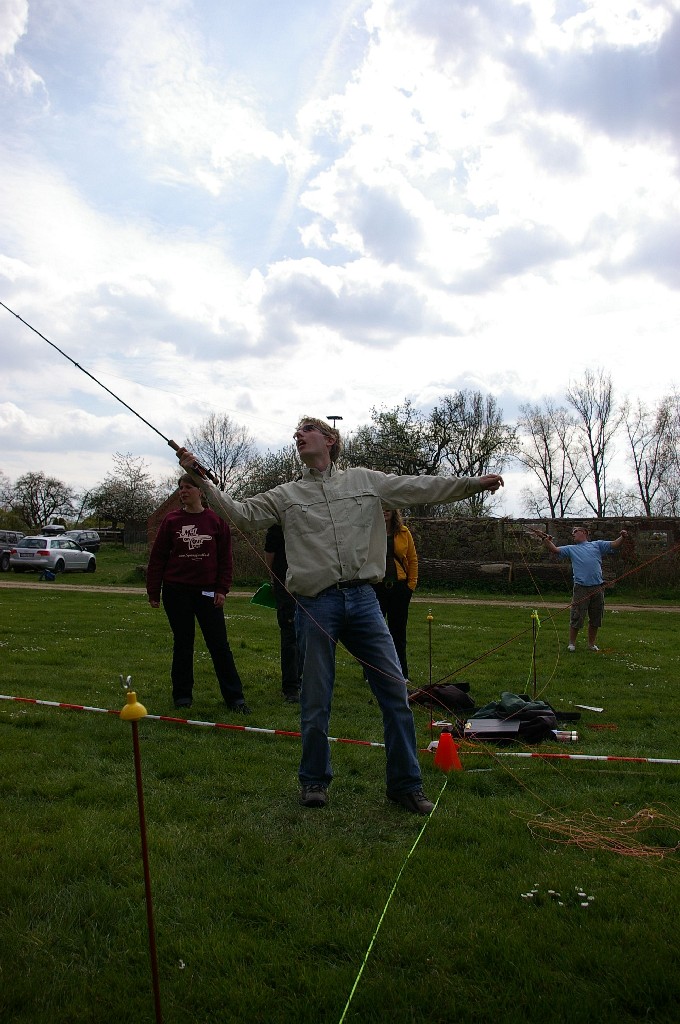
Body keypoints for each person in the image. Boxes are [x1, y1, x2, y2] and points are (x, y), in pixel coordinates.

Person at [178, 417, 503, 815]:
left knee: (396, 694)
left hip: (365, 601)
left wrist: (472, 483)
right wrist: (201, 478)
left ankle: (405, 786)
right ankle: (314, 782)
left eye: (306, 431)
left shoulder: (367, 481)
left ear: (330, 440)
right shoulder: (286, 494)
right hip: (316, 604)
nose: (297, 437)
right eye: (295, 434)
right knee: (315, 699)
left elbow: (421, 486)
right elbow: (241, 515)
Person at [146, 473, 251, 713]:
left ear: (200, 492)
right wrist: (153, 591)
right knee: (183, 643)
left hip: (207, 593)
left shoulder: (216, 521)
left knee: (219, 645)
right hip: (176, 592)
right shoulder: (171, 521)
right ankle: (182, 697)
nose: (183, 491)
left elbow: (226, 560)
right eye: (180, 488)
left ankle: (235, 698)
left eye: (188, 487)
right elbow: (158, 558)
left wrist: (222, 589)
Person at [540, 524, 628, 652]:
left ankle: (591, 644)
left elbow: (614, 544)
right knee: (577, 616)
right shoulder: (571, 549)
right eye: (572, 532)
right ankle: (572, 644)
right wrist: (545, 540)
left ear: (585, 533)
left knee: (596, 617)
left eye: (575, 531)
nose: (573, 534)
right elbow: (555, 550)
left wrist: (622, 537)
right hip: (581, 587)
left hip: (597, 587)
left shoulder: (597, 545)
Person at [372, 508, 417, 679]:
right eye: (381, 507)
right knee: (374, 633)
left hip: (399, 588)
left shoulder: (404, 532)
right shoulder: (369, 531)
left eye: (388, 506)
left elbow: (412, 559)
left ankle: (402, 673)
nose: (384, 510)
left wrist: (410, 586)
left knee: (398, 633)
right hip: (376, 587)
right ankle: (373, 673)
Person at [264, 523, 301, 702]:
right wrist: (274, 578)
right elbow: (269, 554)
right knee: (290, 633)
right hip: (285, 583)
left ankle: (307, 682)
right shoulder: (278, 525)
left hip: (312, 582)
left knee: (311, 635)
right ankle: (291, 688)